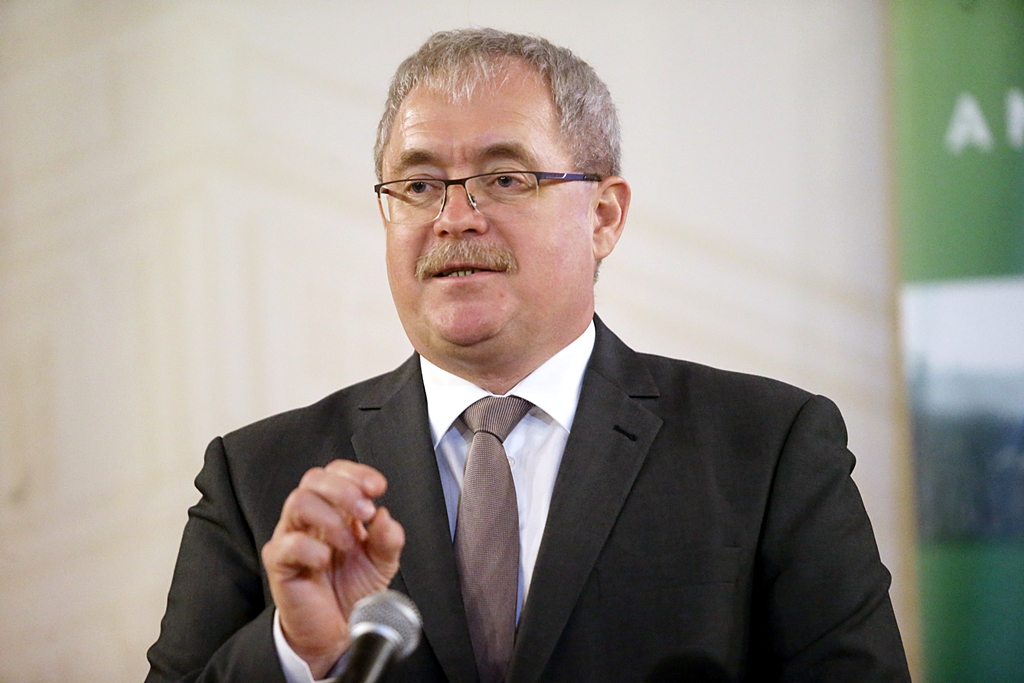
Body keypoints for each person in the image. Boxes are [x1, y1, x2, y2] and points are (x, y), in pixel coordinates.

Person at [145, 28, 911, 683]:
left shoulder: (768, 449)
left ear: (603, 216)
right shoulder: (259, 479)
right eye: (419, 184)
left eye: (505, 178)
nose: (453, 217)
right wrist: (292, 651)